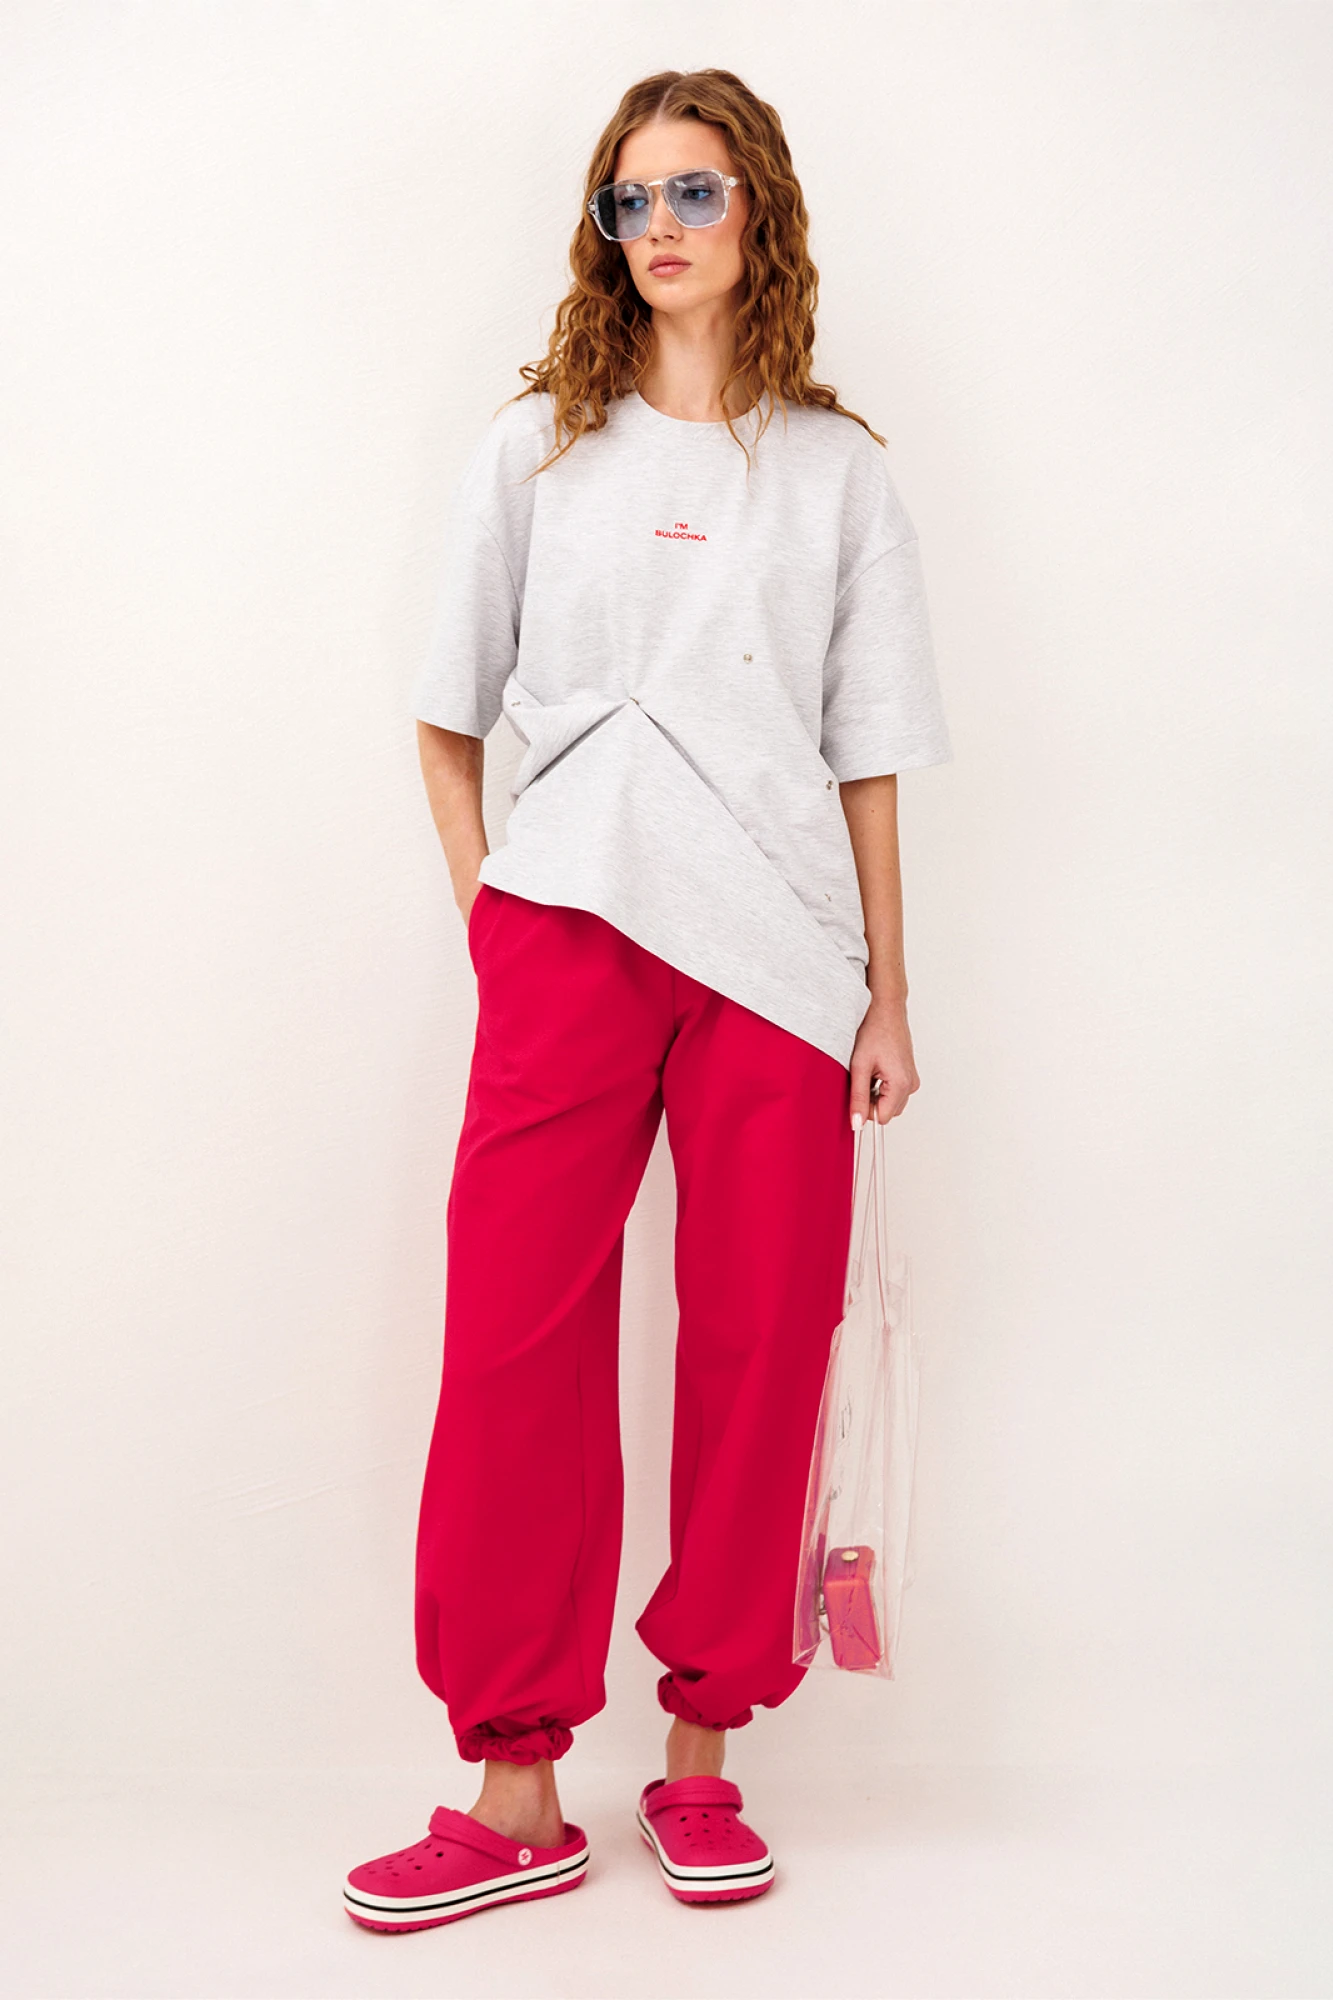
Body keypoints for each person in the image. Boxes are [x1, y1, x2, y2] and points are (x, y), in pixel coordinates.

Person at [344, 66, 951, 1933]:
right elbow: (446, 717)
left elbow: (867, 753)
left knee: (761, 1349)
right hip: (570, 934)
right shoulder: (539, 449)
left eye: (694, 192)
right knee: (514, 1344)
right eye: (630, 200)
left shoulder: (837, 474)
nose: (661, 227)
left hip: (779, 961)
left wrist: (889, 995)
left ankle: (701, 1756)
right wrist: (495, 915)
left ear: (758, 208)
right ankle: (514, 1788)